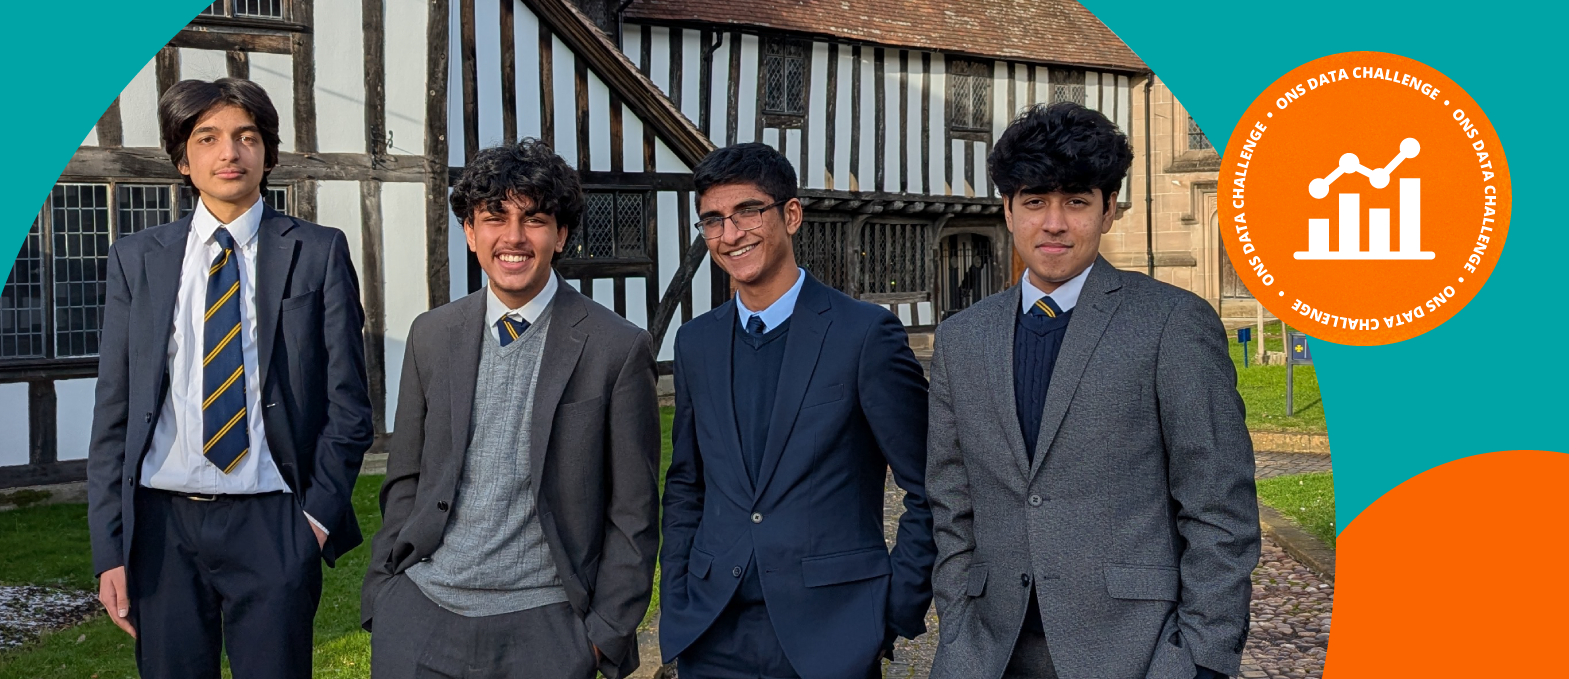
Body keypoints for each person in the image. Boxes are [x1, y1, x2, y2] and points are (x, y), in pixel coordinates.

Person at [926, 102, 1260, 679]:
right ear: (1008, 209)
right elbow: (951, 501)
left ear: (1109, 211)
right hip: (988, 652)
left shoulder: (1171, 324)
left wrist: (1200, 659)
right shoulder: (962, 338)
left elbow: (1219, 509)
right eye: (1034, 201)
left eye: (1077, 201)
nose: (1053, 223)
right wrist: (957, 621)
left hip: (1134, 652)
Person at [86, 77, 373, 679]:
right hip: (162, 530)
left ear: (267, 153)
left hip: (273, 522)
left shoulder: (317, 253)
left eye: (246, 137)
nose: (229, 153)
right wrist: (111, 549)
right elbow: (114, 414)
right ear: (182, 158)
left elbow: (349, 406)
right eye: (207, 137)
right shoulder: (136, 259)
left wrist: (313, 523)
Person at [360, 138, 661, 679]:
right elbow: (404, 478)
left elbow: (633, 514)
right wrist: (386, 595)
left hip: (545, 629)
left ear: (561, 234)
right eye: (494, 217)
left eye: (535, 219)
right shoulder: (432, 335)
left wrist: (600, 638)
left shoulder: (616, 348)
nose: (514, 237)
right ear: (472, 233)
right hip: (420, 616)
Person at [659, 142, 935, 679]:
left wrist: (891, 611)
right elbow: (687, 485)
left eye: (748, 211)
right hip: (712, 631)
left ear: (791, 214)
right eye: (712, 220)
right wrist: (677, 597)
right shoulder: (696, 343)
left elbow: (931, 485)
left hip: (832, 635)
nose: (730, 234)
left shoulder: (864, 335)